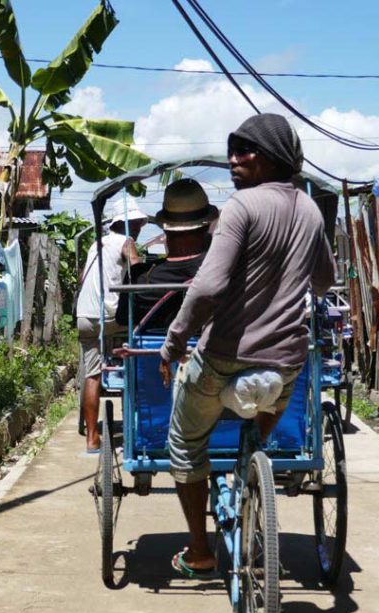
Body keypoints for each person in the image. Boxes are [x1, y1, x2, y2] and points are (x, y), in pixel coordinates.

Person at [159, 113, 336, 578]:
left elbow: (207, 289)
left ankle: (199, 552)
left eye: (245, 151)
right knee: (265, 415)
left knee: (183, 440)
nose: (233, 159)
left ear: (272, 157)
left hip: (223, 357)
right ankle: (253, 457)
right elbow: (324, 281)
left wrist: (174, 343)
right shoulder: (311, 210)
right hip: (286, 360)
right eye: (233, 149)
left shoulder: (241, 207)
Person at [76, 197, 145, 454]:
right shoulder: (127, 242)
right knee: (138, 350)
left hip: (85, 316)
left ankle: (92, 440)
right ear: (125, 224)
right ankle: (136, 429)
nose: (138, 228)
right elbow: (138, 273)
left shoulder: (96, 244)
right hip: (110, 318)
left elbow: (83, 277)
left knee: (91, 374)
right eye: (136, 223)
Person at [115, 178, 217, 331]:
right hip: (212, 351)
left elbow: (123, 319)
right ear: (207, 225)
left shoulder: (139, 276)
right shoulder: (223, 270)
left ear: (165, 228)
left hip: (153, 353)